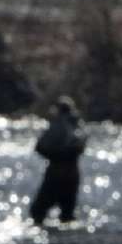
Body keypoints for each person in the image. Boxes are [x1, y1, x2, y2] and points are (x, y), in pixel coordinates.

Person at [29, 96, 87, 225]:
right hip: (72, 176)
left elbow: (39, 147)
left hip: (55, 175)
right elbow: (81, 147)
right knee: (67, 215)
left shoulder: (56, 125)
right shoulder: (79, 126)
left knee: (37, 213)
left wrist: (55, 155)